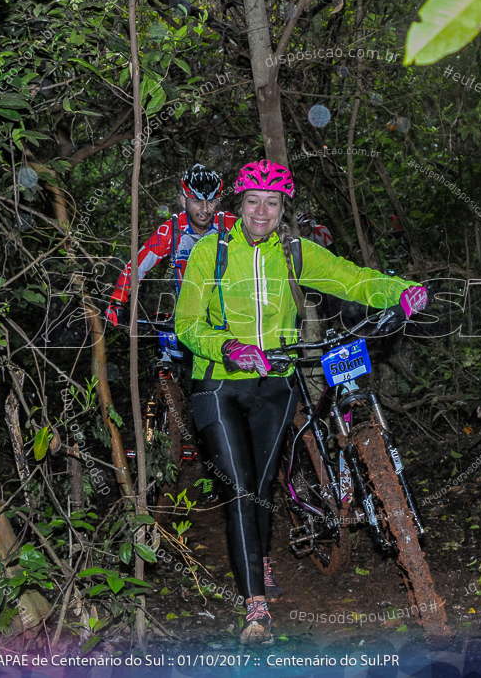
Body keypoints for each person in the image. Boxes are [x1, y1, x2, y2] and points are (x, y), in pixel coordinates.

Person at [175, 160, 429, 645]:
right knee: (241, 489)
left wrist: (401, 290)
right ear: (239, 205)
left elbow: (352, 279)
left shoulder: (293, 251)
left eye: (272, 203)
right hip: (218, 381)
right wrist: (229, 347)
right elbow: (186, 323)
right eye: (253, 201)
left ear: (282, 207)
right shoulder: (211, 252)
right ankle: (255, 608)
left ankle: (260, 554)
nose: (262, 211)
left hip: (276, 380)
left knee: (264, 484)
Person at [104, 164, 236, 326]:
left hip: (231, 313)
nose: (205, 209)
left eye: (211, 201)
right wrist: (117, 300)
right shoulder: (171, 230)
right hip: (191, 316)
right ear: (183, 200)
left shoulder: (230, 224)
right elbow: (137, 266)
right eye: (197, 201)